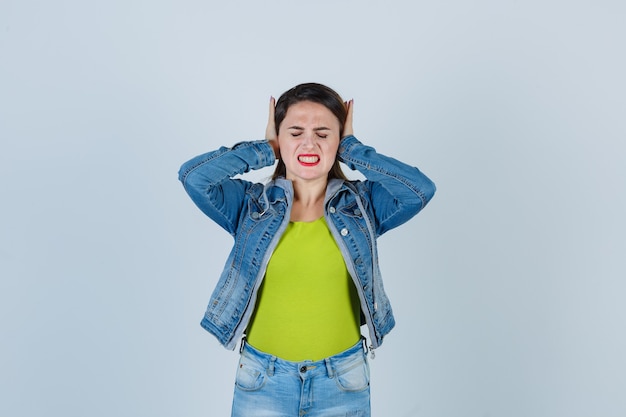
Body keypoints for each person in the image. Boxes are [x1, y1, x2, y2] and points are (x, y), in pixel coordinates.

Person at [178, 83, 436, 417]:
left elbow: (419, 190)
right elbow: (193, 177)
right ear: (280, 139)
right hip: (262, 380)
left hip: (343, 381)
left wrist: (354, 149)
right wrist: (265, 148)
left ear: (338, 140)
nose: (309, 143)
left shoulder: (363, 205)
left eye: (323, 133)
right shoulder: (250, 206)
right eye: (295, 132)